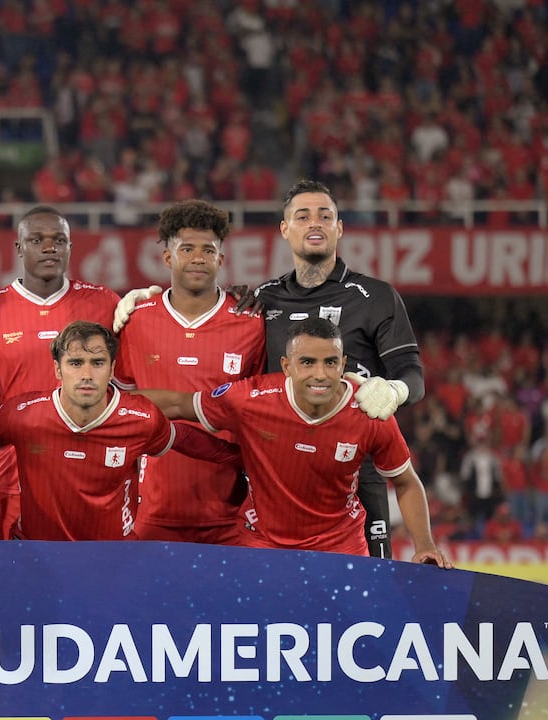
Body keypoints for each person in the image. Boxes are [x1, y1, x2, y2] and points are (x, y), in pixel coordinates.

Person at [114, 180, 423, 559]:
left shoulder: (376, 296)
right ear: (285, 228)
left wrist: (395, 390)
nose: (315, 223)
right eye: (303, 215)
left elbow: (412, 374)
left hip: (354, 469)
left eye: (325, 216)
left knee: (363, 597)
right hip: (277, 479)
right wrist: (147, 297)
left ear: (339, 228)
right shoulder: (260, 302)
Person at [142, 317, 450, 564]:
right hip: (260, 544)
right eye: (307, 363)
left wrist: (425, 546)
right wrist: (108, 403)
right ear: (287, 366)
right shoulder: (251, 399)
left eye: (330, 362)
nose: (320, 374)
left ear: (343, 365)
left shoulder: (370, 412)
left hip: (340, 547)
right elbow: (179, 404)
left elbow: (406, 482)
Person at [0, 321, 239, 541]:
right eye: (76, 363)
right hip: (35, 552)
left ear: (112, 369)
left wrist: (244, 458)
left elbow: (182, 437)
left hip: (114, 555)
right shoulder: (22, 414)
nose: (87, 374)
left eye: (98, 362)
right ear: (57, 369)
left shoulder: (140, 417)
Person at [113, 199, 265, 544]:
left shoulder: (251, 324)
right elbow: (122, 408)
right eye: (187, 249)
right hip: (152, 508)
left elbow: (255, 415)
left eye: (208, 250)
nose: (198, 257)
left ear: (221, 260)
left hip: (230, 512)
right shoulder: (137, 320)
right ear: (168, 257)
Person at [0, 205, 120, 540]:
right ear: (19, 248)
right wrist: (5, 418)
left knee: (95, 575)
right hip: (16, 470)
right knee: (14, 578)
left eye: (58, 240)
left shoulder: (104, 302)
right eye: (37, 240)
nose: (49, 247)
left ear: (69, 247)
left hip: (91, 467)